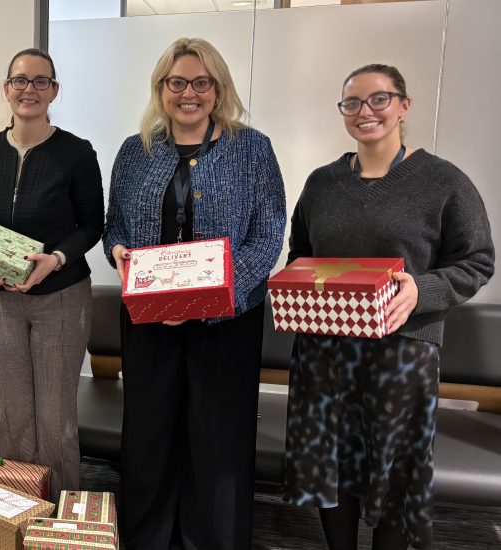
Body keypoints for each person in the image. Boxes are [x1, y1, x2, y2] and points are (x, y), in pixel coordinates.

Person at [283, 64, 494, 550]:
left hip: (403, 351)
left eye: (379, 99)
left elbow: (477, 260)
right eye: (352, 102)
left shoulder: (444, 182)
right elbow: (300, 255)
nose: (365, 111)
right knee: (330, 462)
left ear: (404, 105)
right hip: (325, 350)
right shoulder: (321, 183)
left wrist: (422, 290)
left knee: (397, 470)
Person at [102, 37, 286, 549]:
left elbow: (269, 234)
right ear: (161, 89)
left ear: (218, 89)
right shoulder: (135, 150)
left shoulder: (253, 149)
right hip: (149, 319)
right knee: (150, 430)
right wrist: (118, 251)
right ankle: (147, 536)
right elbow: (114, 224)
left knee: (218, 434)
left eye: (201, 83)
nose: (189, 93)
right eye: (177, 82)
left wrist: (211, 296)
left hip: (227, 323)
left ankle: (213, 537)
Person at [0, 47, 104, 498]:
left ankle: (57, 515)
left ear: (54, 91)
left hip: (62, 298)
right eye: (20, 80)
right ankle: (17, 511)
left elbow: (92, 225)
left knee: (55, 418)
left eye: (41, 81)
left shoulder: (76, 153)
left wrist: (55, 259)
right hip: (4, 300)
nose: (30, 89)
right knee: (15, 413)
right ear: (7, 89)